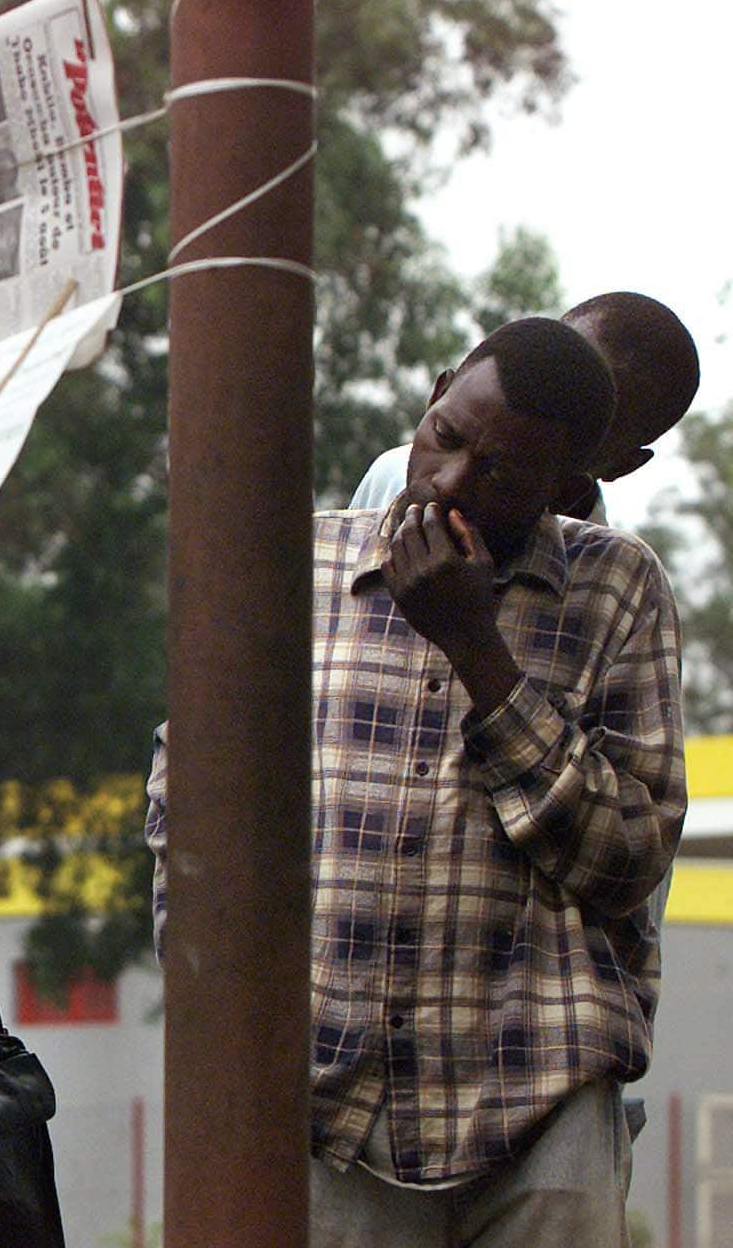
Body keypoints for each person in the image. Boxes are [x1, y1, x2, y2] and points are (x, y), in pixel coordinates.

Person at [149, 317, 686, 1246]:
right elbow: (190, 795)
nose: (449, 482)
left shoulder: (618, 590)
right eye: (445, 438)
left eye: (502, 476)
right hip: (331, 1107)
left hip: (538, 1101)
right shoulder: (299, 564)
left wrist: (478, 649)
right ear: (432, 395)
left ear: (568, 487)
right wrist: (218, 997)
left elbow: (628, 859)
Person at [350, 291, 700, 521]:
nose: (547, 398)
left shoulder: (614, 588)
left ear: (623, 466)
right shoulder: (394, 475)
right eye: (546, 363)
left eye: (598, 411)